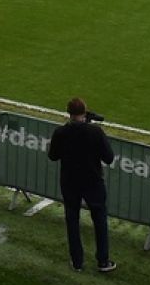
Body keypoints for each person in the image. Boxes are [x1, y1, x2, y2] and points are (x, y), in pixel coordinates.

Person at [47, 96, 116, 273]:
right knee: (99, 219)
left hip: (70, 181)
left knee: (72, 220)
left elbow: (53, 156)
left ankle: (77, 261)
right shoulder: (95, 132)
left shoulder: (61, 132)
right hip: (93, 180)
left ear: (68, 112)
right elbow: (109, 158)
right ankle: (103, 261)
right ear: (84, 112)